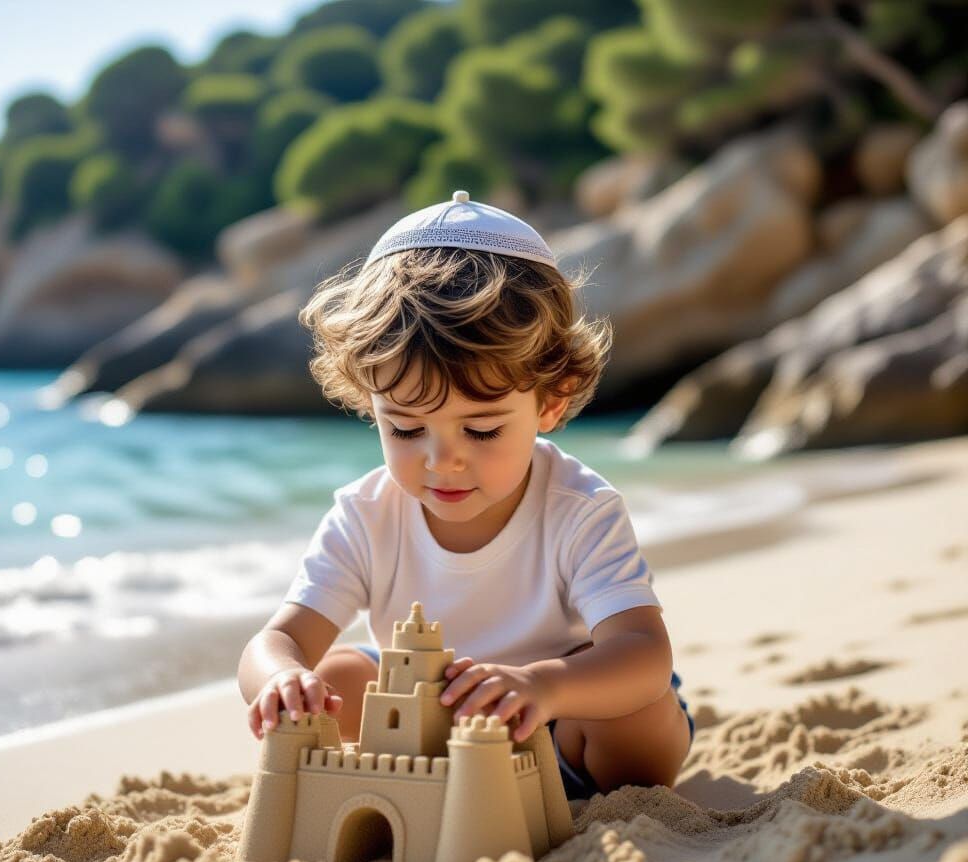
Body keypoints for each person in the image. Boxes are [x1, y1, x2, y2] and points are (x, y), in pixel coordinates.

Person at [237, 190, 695, 799]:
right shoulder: (366, 514)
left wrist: (542, 686)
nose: (441, 459)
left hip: (560, 723)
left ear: (551, 400)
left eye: (481, 429)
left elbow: (642, 651)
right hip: (431, 725)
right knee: (337, 675)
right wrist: (281, 677)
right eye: (404, 428)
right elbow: (277, 640)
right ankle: (421, 782)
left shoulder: (578, 508)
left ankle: (582, 781)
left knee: (640, 708)